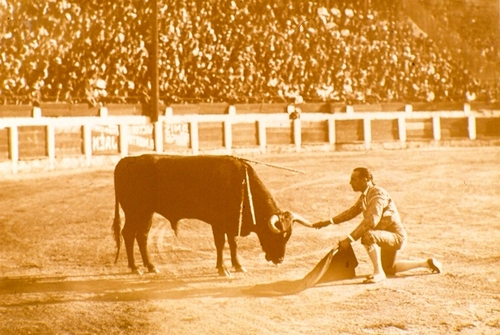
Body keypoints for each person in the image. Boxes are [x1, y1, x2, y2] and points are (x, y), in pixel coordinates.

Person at [312, 167, 442, 284]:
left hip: (395, 237)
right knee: (389, 268)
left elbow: (370, 222)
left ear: (366, 180)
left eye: (354, 179)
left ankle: (378, 273)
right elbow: (351, 212)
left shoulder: (377, 194)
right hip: (385, 235)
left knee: (367, 236)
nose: (350, 183)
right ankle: (426, 263)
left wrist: (348, 240)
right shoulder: (366, 195)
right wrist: (328, 222)